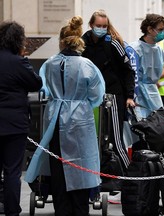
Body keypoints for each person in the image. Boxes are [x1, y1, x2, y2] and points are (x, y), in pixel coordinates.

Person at [25, 16, 105, 216]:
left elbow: (43, 88)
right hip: (80, 118)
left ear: (61, 40)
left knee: (58, 164)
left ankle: (62, 208)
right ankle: (80, 208)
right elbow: (97, 95)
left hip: (54, 116)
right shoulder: (87, 65)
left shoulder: (49, 64)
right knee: (82, 163)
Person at [82, 9, 135, 170]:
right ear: (91, 25)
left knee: (115, 138)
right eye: (98, 25)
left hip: (112, 95)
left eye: (104, 26)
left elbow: (128, 71)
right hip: (89, 97)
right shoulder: (82, 43)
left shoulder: (112, 43)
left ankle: (129, 174)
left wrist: (129, 96)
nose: (101, 28)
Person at [0, 21, 42, 216]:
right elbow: (36, 83)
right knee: (12, 171)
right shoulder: (19, 62)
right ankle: (11, 211)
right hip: (15, 125)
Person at [130, 13, 164, 118]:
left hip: (154, 94)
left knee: (158, 126)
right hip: (137, 94)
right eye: (160, 30)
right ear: (150, 29)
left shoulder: (160, 51)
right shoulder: (134, 49)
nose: (163, 33)